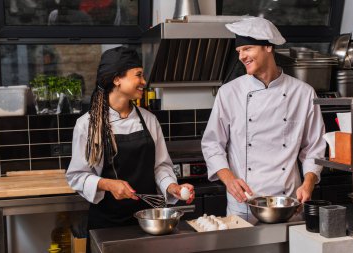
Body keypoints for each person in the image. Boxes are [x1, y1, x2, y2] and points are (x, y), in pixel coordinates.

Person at [201, 16, 326, 217]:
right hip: (244, 203)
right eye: (239, 51)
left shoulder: (303, 93)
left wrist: (308, 183)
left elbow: (314, 147)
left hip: (288, 201)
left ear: (268, 47)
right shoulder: (229, 92)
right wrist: (229, 179)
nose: (242, 56)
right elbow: (212, 144)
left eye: (247, 48)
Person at [66, 46, 195, 234]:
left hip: (149, 221)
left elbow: (160, 166)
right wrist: (109, 184)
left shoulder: (149, 120)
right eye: (139, 75)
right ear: (117, 79)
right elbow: (77, 176)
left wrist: (172, 187)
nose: (144, 81)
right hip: (107, 224)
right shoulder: (88, 124)